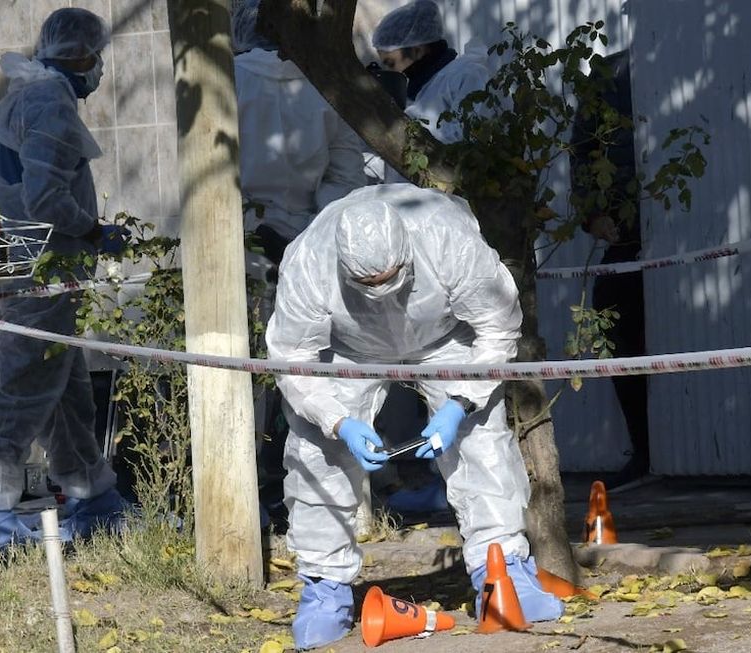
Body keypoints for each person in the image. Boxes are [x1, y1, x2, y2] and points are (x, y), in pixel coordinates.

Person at [265, 183, 563, 649]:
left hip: (445, 338)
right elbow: (292, 361)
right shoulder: (309, 261)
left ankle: (502, 571)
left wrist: (458, 405)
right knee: (315, 449)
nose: (381, 291)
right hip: (350, 348)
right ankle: (325, 588)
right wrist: (339, 422)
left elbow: (498, 328)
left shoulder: (446, 239)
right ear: (344, 269)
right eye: (368, 284)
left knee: (480, 438)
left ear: (407, 254)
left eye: (390, 278)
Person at [0, 7, 128, 561]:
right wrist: (94, 229)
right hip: (42, 268)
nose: (99, 69)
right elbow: (47, 199)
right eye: (96, 57)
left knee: (64, 384)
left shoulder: (29, 94)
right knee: (23, 385)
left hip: (28, 264)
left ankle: (90, 491)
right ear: (80, 55)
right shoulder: (50, 103)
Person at [231, 0, 367, 267]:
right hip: (312, 245)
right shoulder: (325, 83)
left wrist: (258, 229)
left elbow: (213, 173)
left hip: (243, 239)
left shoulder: (228, 80)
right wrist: (313, 230)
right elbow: (347, 175)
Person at [571, 50, 650, 483]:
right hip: (627, 236)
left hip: (685, 233)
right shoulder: (610, 77)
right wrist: (592, 215)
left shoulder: (687, 57)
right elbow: (582, 152)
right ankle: (645, 450)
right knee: (616, 331)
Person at [372, 0, 490, 144]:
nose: (390, 71)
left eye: (391, 63)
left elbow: (466, 136)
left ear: (418, 50)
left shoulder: (467, 74)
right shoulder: (421, 91)